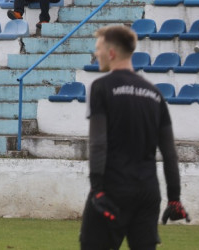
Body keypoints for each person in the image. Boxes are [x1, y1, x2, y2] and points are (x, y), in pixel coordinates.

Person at [79, 25, 188, 250]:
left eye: (98, 48)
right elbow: (169, 153)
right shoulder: (155, 94)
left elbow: (98, 143)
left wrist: (97, 188)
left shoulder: (100, 87)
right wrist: (174, 198)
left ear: (111, 53)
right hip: (147, 193)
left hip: (111, 190)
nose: (96, 54)